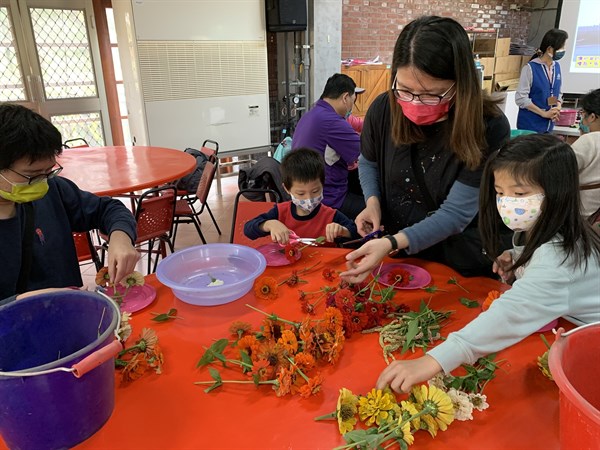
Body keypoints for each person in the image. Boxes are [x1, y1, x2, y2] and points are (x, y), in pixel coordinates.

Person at [376, 134, 600, 393]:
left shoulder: (560, 262)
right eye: (499, 192)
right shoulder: (560, 232)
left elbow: (509, 314)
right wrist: (519, 259)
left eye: (519, 193)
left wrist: (434, 360)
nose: (507, 202)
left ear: (558, 191)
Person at [341, 16, 511, 282]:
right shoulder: (384, 108)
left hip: (458, 263)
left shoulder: (489, 126)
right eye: (405, 90)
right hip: (401, 258)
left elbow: (455, 214)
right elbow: (369, 162)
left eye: (433, 94)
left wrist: (391, 243)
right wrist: (372, 202)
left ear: (460, 84)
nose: (416, 103)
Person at [0, 103, 139, 302]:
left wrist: (121, 236)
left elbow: (108, 209)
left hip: (69, 314)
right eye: (32, 175)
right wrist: (19, 303)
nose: (43, 181)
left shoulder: (54, 190)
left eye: (48, 171)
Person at [244, 148, 358, 244]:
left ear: (323, 184)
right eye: (301, 193)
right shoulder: (280, 212)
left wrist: (343, 231)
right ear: (287, 189)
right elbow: (248, 229)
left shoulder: (331, 216)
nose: (308, 198)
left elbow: (358, 234)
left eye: (315, 191)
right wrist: (269, 224)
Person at [292, 74, 366, 220]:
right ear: (345, 98)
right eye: (353, 100)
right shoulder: (332, 121)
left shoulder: (312, 113)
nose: (352, 106)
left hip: (307, 192)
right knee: (379, 210)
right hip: (328, 199)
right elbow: (366, 151)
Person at [515, 28, 569, 133]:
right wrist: (543, 113)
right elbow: (521, 99)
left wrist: (557, 105)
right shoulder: (530, 68)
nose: (563, 50)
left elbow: (556, 92)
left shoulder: (556, 66)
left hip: (548, 125)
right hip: (530, 126)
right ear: (549, 49)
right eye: (561, 47)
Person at [571, 88, 600, 218]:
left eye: (583, 115)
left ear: (592, 117)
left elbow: (560, 172)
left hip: (582, 214)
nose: (582, 120)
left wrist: (583, 137)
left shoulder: (590, 141)